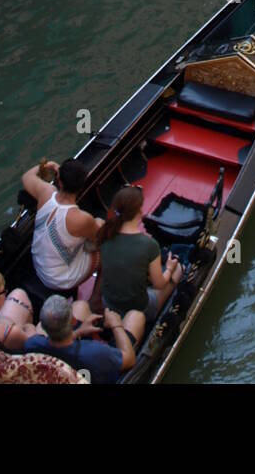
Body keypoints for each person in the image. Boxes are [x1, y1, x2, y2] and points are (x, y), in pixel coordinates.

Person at [97, 185, 183, 341]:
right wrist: (169, 269)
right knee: (178, 270)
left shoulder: (105, 234)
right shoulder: (148, 245)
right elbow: (159, 284)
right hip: (140, 306)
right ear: (139, 211)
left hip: (108, 302)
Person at [21, 157, 104, 300]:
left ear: (59, 180)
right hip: (59, 279)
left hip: (39, 265)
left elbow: (27, 176)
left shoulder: (46, 192)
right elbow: (101, 239)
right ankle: (95, 299)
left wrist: (47, 166)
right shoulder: (82, 218)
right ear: (81, 186)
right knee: (109, 248)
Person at [24, 293, 135, 383]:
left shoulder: (33, 344)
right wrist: (116, 325)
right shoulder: (96, 352)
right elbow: (130, 360)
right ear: (73, 321)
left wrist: (78, 332)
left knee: (81, 305)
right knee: (136, 316)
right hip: (100, 371)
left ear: (43, 326)